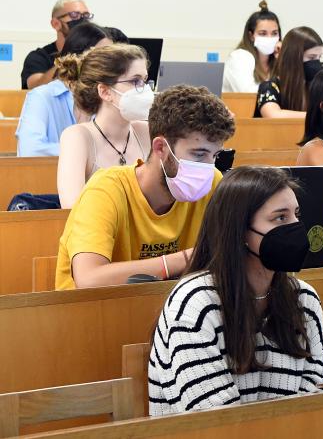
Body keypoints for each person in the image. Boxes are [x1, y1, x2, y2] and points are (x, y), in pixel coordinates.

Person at [148, 166, 323, 416]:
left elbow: (313, 408)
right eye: (280, 218)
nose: (296, 227)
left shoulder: (304, 300)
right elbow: (216, 423)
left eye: (296, 215)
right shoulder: (195, 305)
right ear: (240, 230)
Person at [55, 85, 236, 290]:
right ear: (160, 147)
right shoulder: (106, 190)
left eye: (215, 155)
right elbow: (89, 279)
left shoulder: (212, 182)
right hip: (94, 315)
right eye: (199, 154)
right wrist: (187, 259)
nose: (207, 166)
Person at [56, 44, 154, 208]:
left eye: (145, 81)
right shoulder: (77, 136)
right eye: (135, 81)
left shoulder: (146, 131)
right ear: (105, 91)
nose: (145, 90)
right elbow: (71, 207)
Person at [15, 23, 112, 157]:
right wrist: (82, 149)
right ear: (78, 58)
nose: (111, 66)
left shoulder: (109, 97)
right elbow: (30, 150)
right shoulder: (42, 96)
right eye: (103, 57)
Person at [21, 0, 93, 89]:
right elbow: (35, 87)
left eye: (86, 15)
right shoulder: (38, 57)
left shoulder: (94, 54)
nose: (83, 20)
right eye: (74, 15)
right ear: (56, 24)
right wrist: (70, 56)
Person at [255, 26, 323, 118]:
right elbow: (273, 115)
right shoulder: (269, 87)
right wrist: (315, 117)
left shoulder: (316, 88)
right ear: (294, 58)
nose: (317, 63)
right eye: (311, 57)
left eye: (319, 57)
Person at [223, 0, 281, 93]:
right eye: (263, 33)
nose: (270, 38)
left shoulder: (278, 60)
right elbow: (248, 93)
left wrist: (284, 59)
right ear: (251, 36)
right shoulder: (240, 57)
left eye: (274, 33)